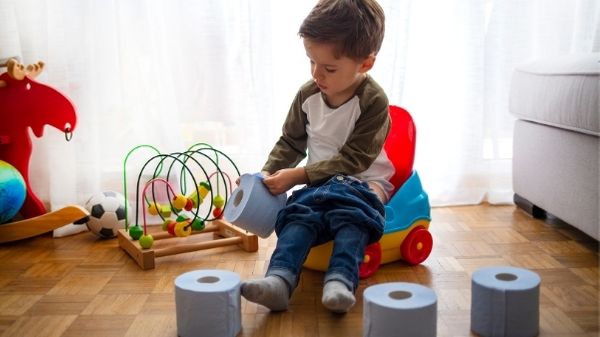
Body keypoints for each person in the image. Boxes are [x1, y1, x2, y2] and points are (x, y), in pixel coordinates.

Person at [241, 0, 394, 314]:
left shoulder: (373, 101)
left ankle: (339, 281)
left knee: (353, 217)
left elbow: (354, 159)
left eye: (329, 68)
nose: (316, 74)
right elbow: (291, 141)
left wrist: (298, 176)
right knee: (298, 215)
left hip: (362, 181)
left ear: (365, 64)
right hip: (320, 185)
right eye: (311, 61)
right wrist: (265, 176)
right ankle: (279, 280)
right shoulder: (308, 95)